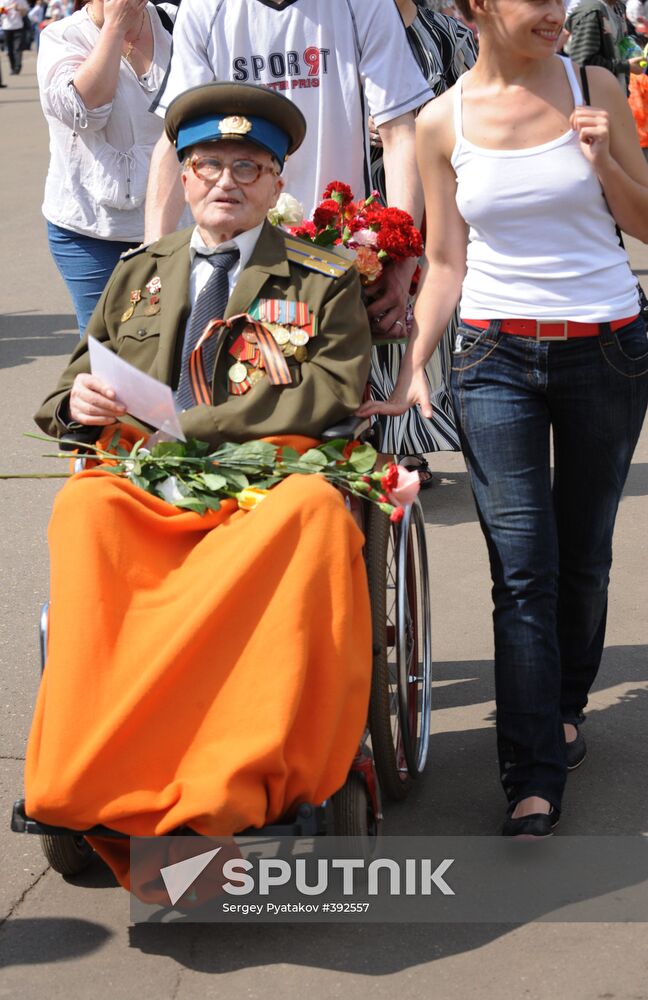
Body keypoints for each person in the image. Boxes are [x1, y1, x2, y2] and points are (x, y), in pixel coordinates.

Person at [25, 82, 373, 889]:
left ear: (277, 182)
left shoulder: (322, 277)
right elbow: (74, 382)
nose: (226, 182)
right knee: (85, 507)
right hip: (149, 483)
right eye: (209, 164)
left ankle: (237, 765)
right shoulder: (139, 273)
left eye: (248, 168)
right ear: (182, 177)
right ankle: (97, 765)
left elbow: (332, 391)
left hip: (270, 480)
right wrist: (79, 400)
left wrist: (199, 428)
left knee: (317, 513)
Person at [358, 0, 648, 836]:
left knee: (584, 554)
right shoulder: (444, 121)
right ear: (476, 8)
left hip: (608, 352)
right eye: (536, 1)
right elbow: (446, 262)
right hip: (494, 363)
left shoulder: (593, 87)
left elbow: (645, 221)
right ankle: (531, 771)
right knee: (522, 569)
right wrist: (415, 367)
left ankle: (564, 706)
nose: (557, 13)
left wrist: (602, 163)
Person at [145, 0, 434, 342]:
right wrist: (154, 262)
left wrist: (401, 260)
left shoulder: (365, 4)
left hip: (338, 259)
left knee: (335, 390)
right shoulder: (205, 8)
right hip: (237, 256)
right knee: (233, 383)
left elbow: (399, 132)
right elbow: (175, 138)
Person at [369, 0, 477, 475]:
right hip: (362, 189)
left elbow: (475, 103)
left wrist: (424, 128)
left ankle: (409, 435)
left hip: (433, 191)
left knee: (420, 308)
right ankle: (377, 439)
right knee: (371, 310)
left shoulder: (448, 34)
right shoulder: (351, 25)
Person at [37, 0, 175, 335]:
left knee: (171, 340)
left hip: (174, 222)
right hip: (91, 232)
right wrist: (114, 28)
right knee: (106, 344)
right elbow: (85, 112)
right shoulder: (63, 36)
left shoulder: (175, 22)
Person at [565, 0, 645, 93]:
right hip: (596, 99)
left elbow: (618, 47)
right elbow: (583, 63)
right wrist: (626, 66)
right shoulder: (593, 11)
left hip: (617, 94)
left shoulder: (618, 7)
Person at [1, 0, 28, 74]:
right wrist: (10, 8)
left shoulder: (21, 1)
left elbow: (24, 13)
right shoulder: (3, 1)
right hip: (7, 27)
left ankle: (17, 67)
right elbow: (1, 11)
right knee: (9, 50)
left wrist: (17, 9)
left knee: (17, 48)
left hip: (18, 27)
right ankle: (12, 67)